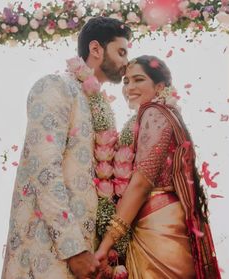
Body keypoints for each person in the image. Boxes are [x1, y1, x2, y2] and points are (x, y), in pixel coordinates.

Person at [1, 16, 131, 279]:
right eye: (121, 51)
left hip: (87, 258)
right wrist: (73, 248)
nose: (126, 62)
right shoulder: (56, 87)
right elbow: (44, 170)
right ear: (96, 49)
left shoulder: (98, 106)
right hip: (48, 255)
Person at [95, 55, 221, 278]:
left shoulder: (154, 113)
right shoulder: (164, 113)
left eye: (138, 80)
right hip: (166, 218)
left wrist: (106, 243)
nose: (129, 87)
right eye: (126, 81)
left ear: (160, 86)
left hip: (157, 224)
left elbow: (142, 183)